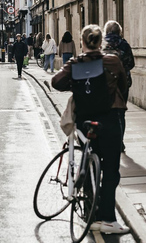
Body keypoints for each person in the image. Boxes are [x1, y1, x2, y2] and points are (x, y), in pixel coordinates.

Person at [51, 25, 129, 235]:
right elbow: (124, 84)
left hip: (86, 120)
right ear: (101, 41)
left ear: (82, 42)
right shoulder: (112, 61)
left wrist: (77, 85)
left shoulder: (75, 63)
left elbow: (56, 81)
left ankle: (89, 214)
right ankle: (108, 219)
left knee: (88, 158)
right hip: (110, 118)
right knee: (111, 170)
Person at [103, 20, 135, 148]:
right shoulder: (124, 45)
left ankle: (106, 140)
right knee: (120, 113)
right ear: (119, 31)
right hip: (122, 84)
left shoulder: (101, 44)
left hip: (104, 84)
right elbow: (131, 64)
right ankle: (119, 141)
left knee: (104, 112)